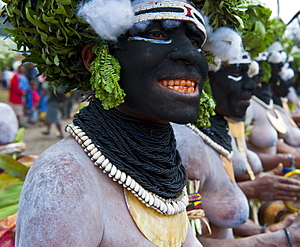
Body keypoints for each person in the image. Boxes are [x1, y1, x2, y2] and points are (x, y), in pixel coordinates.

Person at [5, 0, 211, 246]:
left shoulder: (166, 166)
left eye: (196, 42)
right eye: (157, 34)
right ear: (93, 59)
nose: (190, 54)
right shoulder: (64, 177)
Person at [173, 27, 300, 246]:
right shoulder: (184, 144)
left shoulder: (218, 130)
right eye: (238, 74)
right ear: (206, 78)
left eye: (253, 75)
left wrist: (264, 230)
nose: (253, 85)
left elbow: (208, 210)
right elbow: (189, 236)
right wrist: (279, 236)